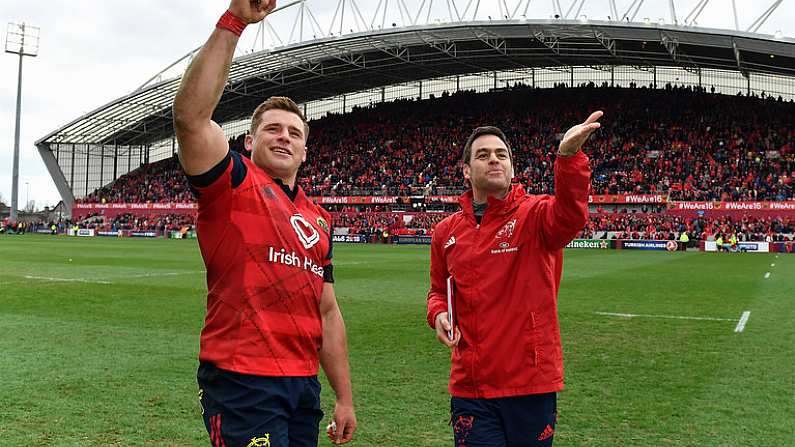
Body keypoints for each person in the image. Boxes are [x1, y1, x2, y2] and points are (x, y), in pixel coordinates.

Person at [172, 1, 356, 445]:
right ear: (249, 140)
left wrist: (344, 397)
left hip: (301, 385)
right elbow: (190, 118)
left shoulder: (319, 219)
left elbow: (328, 311)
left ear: (306, 151)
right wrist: (234, 21)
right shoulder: (232, 183)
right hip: (241, 380)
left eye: (295, 133)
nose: (284, 137)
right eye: (273, 129)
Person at [426, 112, 601, 447]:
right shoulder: (445, 232)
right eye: (483, 155)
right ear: (466, 171)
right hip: (470, 386)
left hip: (530, 384)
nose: (494, 159)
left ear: (512, 168)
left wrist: (567, 157)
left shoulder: (536, 215)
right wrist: (438, 315)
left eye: (501, 154)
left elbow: (571, 215)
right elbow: (437, 291)